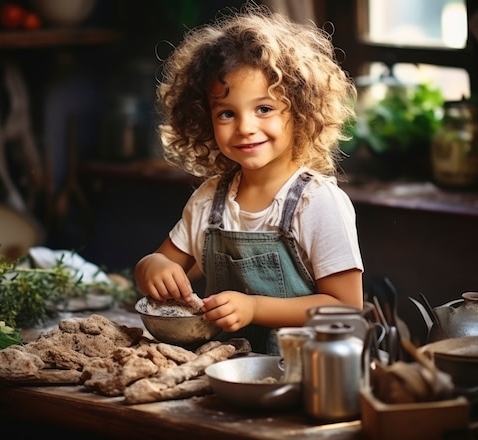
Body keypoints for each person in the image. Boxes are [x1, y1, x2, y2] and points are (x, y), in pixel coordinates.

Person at [134, 2, 364, 354]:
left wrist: (255, 307)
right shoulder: (209, 200)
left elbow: (346, 309)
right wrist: (152, 268)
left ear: (300, 112)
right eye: (227, 113)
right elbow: (161, 261)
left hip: (304, 378)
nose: (245, 127)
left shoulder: (317, 202)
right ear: (203, 119)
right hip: (221, 373)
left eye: (264, 109)